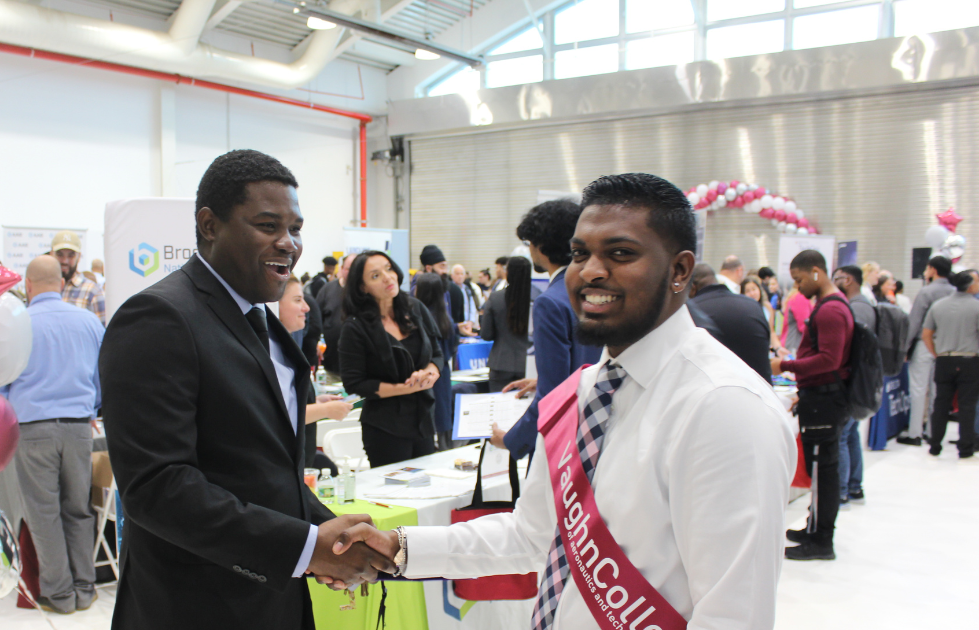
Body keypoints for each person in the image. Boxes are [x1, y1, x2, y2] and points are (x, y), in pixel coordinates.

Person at [328, 173, 795, 630]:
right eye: (579, 254)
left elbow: (734, 615)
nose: (590, 270)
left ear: (679, 270)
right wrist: (398, 546)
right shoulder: (586, 388)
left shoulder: (726, 408)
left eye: (620, 253)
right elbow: (531, 534)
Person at [101, 150, 391, 629]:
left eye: (295, 228)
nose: (288, 243)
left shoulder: (261, 319)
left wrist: (324, 533)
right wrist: (302, 548)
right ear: (210, 225)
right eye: (267, 225)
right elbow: (157, 486)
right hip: (196, 606)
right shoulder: (159, 318)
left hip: (272, 598)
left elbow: (263, 467)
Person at [2, 256, 103, 614]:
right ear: (61, 283)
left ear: (28, 285)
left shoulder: (18, 325)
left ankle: (60, 595)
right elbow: (103, 374)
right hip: (78, 428)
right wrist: (92, 407)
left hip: (32, 430)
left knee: (44, 514)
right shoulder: (89, 321)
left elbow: (2, 382)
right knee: (78, 509)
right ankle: (85, 589)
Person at [492, 200, 602, 460]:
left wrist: (511, 439)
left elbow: (553, 395)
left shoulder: (550, 301)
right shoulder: (594, 288)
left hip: (561, 442)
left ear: (540, 245)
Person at [772, 249, 853, 561]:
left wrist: (787, 366)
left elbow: (828, 360)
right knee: (822, 468)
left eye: (800, 279)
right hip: (818, 397)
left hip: (825, 401)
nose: (798, 287)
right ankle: (814, 527)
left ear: (817, 272)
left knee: (823, 471)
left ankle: (821, 540)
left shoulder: (831, 310)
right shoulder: (832, 306)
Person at [338, 250, 444, 466]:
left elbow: (437, 353)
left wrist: (430, 373)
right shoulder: (355, 327)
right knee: (395, 495)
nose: (388, 277)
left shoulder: (415, 309)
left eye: (389, 269)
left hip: (423, 418)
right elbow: (355, 383)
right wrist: (406, 388)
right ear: (362, 287)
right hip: (385, 427)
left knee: (427, 488)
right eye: (375, 275)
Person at [276, 276, 352, 472]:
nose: (307, 308)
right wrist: (325, 411)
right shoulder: (270, 354)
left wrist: (316, 402)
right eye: (297, 300)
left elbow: (290, 403)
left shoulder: (286, 347)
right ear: (274, 306)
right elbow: (278, 416)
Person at [921, 269, 979, 459]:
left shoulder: (938, 306)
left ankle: (935, 445)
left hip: (944, 359)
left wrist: (936, 353)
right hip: (969, 360)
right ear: (970, 285)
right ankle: (965, 448)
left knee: (940, 403)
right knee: (967, 405)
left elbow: (926, 334)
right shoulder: (976, 307)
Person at [832, 265, 876, 505]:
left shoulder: (856, 308)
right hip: (860, 381)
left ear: (847, 280)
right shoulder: (865, 305)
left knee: (842, 436)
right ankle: (853, 486)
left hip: (853, 382)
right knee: (850, 435)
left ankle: (841, 490)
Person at [901, 256, 955, 446]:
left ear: (932, 269)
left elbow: (915, 322)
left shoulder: (926, 292)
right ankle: (934, 432)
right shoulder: (955, 292)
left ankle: (915, 432)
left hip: (925, 344)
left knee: (918, 389)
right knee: (937, 391)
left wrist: (905, 347)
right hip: (947, 346)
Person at [688, 263, 773, 383]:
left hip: (720, 394)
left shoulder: (693, 311)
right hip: (761, 392)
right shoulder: (753, 306)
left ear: (692, 288)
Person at [413, 272, 458, 450]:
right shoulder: (447, 319)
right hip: (444, 372)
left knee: (429, 420)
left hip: (426, 373)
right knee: (443, 418)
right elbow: (454, 346)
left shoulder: (420, 319)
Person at [480, 256, 538, 392]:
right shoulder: (539, 299)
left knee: (500, 409)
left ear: (508, 273)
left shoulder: (495, 298)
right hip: (529, 365)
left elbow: (486, 335)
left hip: (501, 363)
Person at [412, 245, 470, 337]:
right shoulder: (417, 291)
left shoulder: (444, 288)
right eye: (441, 267)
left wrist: (456, 327)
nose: (445, 271)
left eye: (446, 267)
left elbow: (443, 322)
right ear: (428, 268)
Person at [51, 230, 106, 325]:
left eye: (71, 255)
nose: (65, 261)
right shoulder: (42, 288)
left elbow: (103, 334)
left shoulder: (92, 291)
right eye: (60, 254)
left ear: (79, 257)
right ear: (51, 254)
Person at [315, 252, 355, 381]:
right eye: (350, 269)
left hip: (359, 368)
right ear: (342, 269)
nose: (354, 272)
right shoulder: (327, 290)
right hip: (331, 366)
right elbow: (315, 319)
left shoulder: (368, 292)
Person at [742, 275, 784, 350]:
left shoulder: (767, 307)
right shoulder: (742, 311)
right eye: (748, 291)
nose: (752, 293)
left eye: (754, 289)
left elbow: (771, 332)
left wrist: (779, 347)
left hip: (765, 347)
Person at [781, 286, 813, 354]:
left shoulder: (797, 297)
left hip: (792, 346)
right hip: (794, 347)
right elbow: (804, 327)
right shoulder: (800, 298)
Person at [451, 264, 482, 329]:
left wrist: (471, 322)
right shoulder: (449, 289)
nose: (460, 276)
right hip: (455, 325)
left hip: (467, 324)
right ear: (452, 275)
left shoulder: (467, 289)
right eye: (457, 274)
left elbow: (472, 307)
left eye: (462, 274)